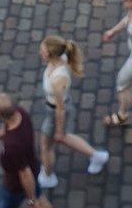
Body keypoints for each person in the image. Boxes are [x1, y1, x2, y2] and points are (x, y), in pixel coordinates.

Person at [37, 36, 109, 189]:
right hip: (54, 108)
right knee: (65, 138)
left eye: (42, 51)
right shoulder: (60, 59)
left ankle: (47, 176)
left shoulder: (58, 79)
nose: (40, 53)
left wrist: (57, 130)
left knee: (46, 145)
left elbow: (60, 109)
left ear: (52, 55)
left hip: (54, 112)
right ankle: (97, 156)